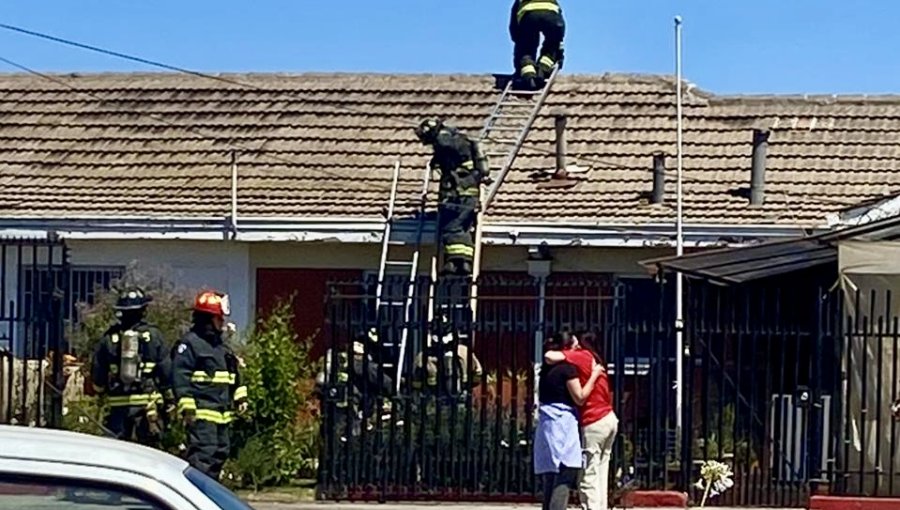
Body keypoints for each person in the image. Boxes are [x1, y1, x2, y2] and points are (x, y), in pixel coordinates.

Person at [172, 290, 247, 479]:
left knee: (220, 453)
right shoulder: (190, 344)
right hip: (201, 414)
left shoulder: (220, 347)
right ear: (208, 319)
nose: (222, 323)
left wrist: (240, 396)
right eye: (219, 319)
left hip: (222, 415)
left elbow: (233, 374)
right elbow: (180, 375)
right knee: (203, 456)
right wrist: (187, 406)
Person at [546, 331, 617, 510]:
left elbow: (549, 356)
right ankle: (601, 506)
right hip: (609, 417)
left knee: (588, 475)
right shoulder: (597, 361)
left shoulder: (581, 356)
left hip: (593, 420)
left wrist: (569, 352)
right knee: (602, 470)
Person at [90, 287, 170, 446]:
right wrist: (169, 400)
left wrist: (102, 390)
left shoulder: (108, 338)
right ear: (143, 310)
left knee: (117, 454)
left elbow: (98, 377)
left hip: (117, 410)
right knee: (149, 455)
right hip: (147, 409)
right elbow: (166, 372)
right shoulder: (154, 336)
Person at [534, 333, 603, 510]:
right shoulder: (568, 369)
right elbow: (579, 397)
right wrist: (594, 376)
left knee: (550, 473)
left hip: (546, 423)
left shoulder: (546, 370)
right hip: (563, 423)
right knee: (566, 472)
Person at [414, 118, 488, 276]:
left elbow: (446, 149)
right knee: (462, 227)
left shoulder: (443, 140)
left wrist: (437, 159)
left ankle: (453, 262)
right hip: (469, 193)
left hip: (457, 194)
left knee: (449, 226)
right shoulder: (458, 138)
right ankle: (461, 263)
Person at [509, 0, 565, 90]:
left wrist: (519, 40)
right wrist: (559, 47)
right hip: (551, 15)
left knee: (526, 49)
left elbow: (514, 27)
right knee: (552, 44)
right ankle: (542, 69)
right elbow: (559, 23)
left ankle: (529, 76)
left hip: (528, 17)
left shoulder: (519, 2)